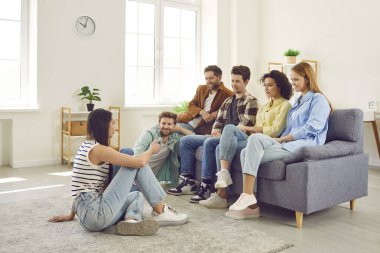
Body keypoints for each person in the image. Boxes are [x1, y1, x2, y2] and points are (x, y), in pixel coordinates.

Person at [48, 109, 188, 236]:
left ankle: (131, 221)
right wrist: (151, 150)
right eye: (113, 123)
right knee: (138, 163)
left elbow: (81, 187)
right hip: (96, 213)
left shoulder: (86, 146)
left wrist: (72, 214)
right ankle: (161, 210)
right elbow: (139, 163)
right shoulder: (99, 150)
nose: (115, 127)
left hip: (88, 216)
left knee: (136, 195)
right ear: (104, 125)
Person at [225, 62, 332, 220]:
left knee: (251, 144)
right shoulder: (298, 102)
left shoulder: (318, 99)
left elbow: (313, 128)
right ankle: (252, 208)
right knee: (246, 151)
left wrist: (284, 139)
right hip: (288, 143)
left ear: (307, 79)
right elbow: (289, 128)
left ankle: (247, 196)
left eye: (296, 79)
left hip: (304, 145)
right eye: (291, 79)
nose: (292, 83)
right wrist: (278, 140)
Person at [199, 70, 293, 209]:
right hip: (253, 138)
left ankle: (222, 188)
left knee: (230, 128)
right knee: (219, 147)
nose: (266, 88)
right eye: (265, 85)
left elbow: (275, 130)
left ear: (279, 86)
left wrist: (248, 128)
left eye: (270, 85)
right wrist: (251, 129)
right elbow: (257, 126)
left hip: (268, 141)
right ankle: (221, 194)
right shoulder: (266, 105)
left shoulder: (285, 105)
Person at [168, 66, 258, 203]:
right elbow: (219, 120)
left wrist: (221, 134)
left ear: (246, 82)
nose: (234, 84)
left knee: (210, 143)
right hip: (219, 135)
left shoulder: (251, 101)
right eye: (233, 81)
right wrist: (215, 130)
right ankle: (188, 181)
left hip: (237, 137)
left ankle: (206, 186)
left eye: (238, 81)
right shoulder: (228, 101)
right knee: (186, 140)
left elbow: (244, 126)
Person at [131, 111, 192, 186]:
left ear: (174, 126)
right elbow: (137, 154)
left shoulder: (174, 138)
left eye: (169, 124)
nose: (166, 126)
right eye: (163, 123)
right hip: (134, 175)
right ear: (159, 124)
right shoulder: (149, 135)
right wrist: (151, 150)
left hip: (149, 180)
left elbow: (192, 137)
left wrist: (180, 129)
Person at [176, 65, 233, 134]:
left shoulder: (228, 94)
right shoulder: (201, 89)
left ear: (219, 78)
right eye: (206, 78)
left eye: (211, 78)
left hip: (203, 128)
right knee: (164, 127)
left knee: (176, 134)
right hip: (188, 122)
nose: (208, 81)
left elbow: (229, 113)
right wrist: (202, 112)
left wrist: (217, 113)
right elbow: (191, 105)